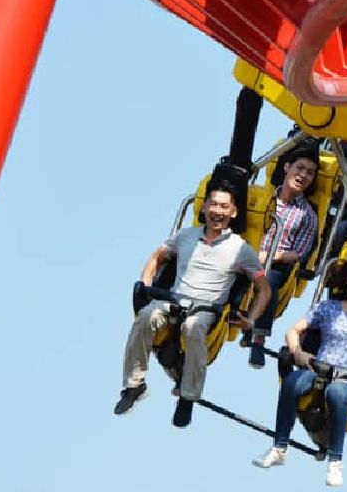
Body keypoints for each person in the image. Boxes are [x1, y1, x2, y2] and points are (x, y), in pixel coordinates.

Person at [114, 181, 270, 427]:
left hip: (207, 308)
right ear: (205, 207)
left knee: (193, 327)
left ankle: (188, 395)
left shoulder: (240, 249)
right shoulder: (186, 236)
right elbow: (157, 256)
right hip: (174, 300)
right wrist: (145, 283)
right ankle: (135, 385)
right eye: (214, 204)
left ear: (233, 212)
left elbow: (264, 288)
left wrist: (251, 319)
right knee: (145, 316)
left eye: (224, 207)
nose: (218, 211)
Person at [251, 259, 347, 487]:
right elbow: (293, 331)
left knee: (336, 393)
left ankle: (335, 462)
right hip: (319, 367)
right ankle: (279, 447)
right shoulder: (328, 308)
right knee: (292, 382)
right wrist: (299, 353)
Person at [247, 142, 320, 368]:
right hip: (244, 253)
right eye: (299, 168)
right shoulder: (262, 198)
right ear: (287, 167)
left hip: (274, 263)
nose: (303, 175)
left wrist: (269, 256)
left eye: (309, 173)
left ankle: (258, 338)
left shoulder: (307, 215)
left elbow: (298, 253)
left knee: (269, 280)